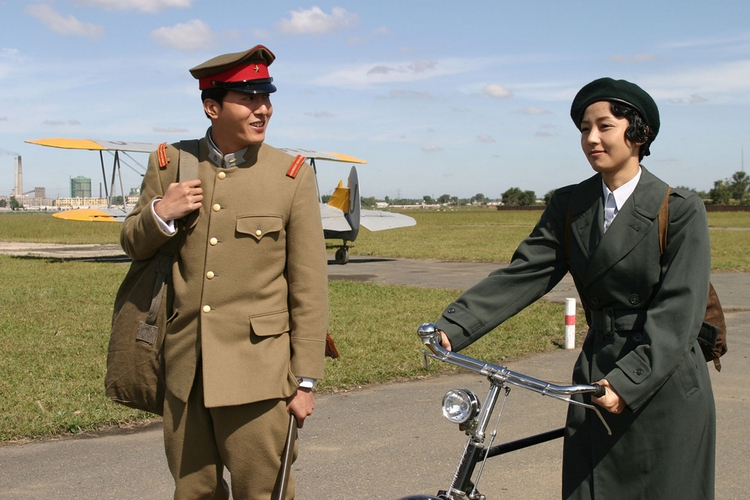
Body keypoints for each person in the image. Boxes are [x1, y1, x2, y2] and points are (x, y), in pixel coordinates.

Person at [435, 78, 715, 499]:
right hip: (596, 376)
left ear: (639, 133)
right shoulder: (570, 205)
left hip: (661, 383)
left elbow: (680, 311)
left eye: (604, 126)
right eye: (585, 128)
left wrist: (629, 382)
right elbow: (526, 272)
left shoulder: (677, 209)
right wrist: (454, 326)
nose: (591, 138)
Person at [120, 45, 329, 499]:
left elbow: (310, 286)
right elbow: (132, 244)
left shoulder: (289, 176)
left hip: (260, 372)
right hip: (186, 368)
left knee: (263, 492)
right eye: (249, 99)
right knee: (193, 492)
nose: (263, 109)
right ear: (212, 107)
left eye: (267, 98)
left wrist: (305, 379)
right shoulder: (170, 163)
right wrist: (162, 211)